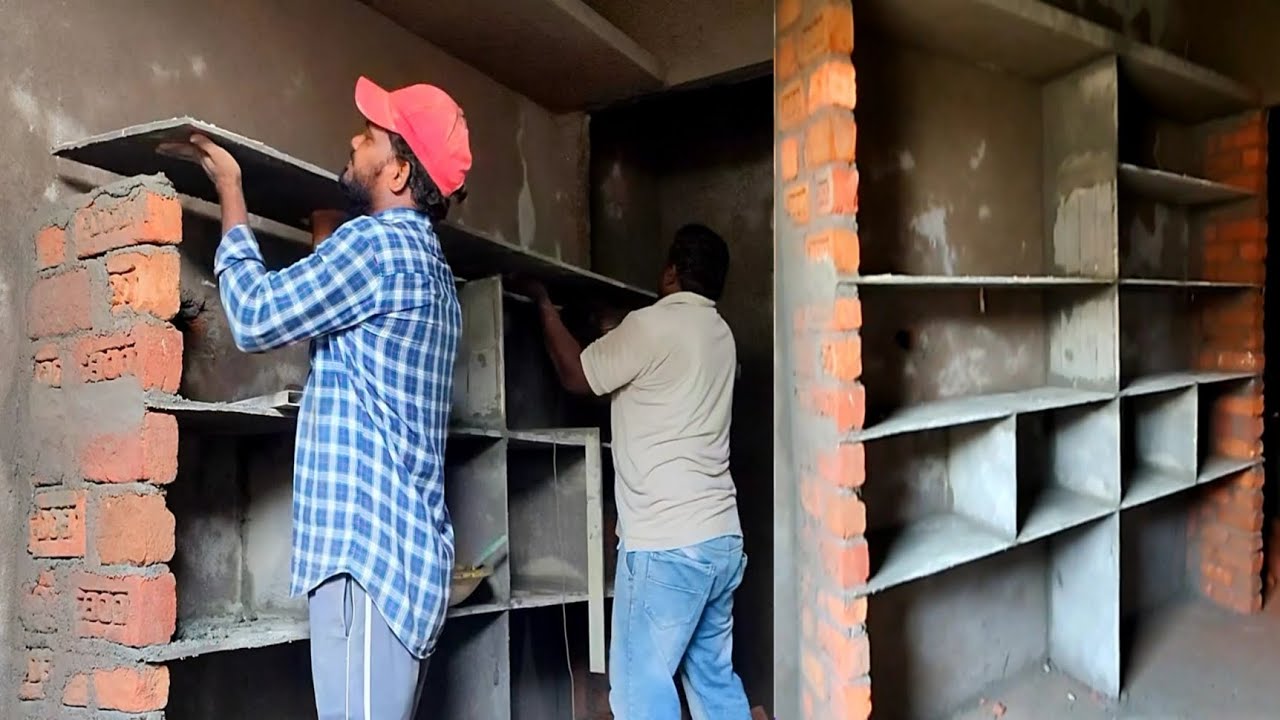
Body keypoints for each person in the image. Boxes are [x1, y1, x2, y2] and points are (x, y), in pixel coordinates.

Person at [168, 76, 471, 719]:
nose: (355, 139)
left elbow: (253, 318)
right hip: (397, 560)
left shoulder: (378, 246)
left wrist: (231, 193)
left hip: (369, 565)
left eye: (372, 135)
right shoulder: (432, 269)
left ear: (399, 172)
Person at [522, 224, 751, 719]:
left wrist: (542, 303)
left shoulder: (648, 326)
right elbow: (660, 378)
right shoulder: (721, 336)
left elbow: (576, 375)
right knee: (713, 683)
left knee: (636, 694)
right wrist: (618, 328)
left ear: (671, 272)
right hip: (721, 541)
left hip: (666, 548)